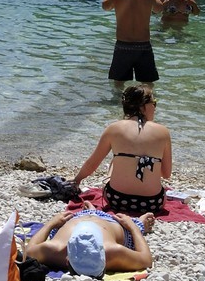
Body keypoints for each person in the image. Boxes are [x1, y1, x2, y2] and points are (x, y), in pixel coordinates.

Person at [70, 85, 172, 215]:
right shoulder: (163, 132)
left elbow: (92, 164)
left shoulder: (114, 129)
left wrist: (77, 180)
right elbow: (166, 173)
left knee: (116, 159)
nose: (155, 108)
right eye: (154, 103)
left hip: (117, 199)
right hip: (153, 203)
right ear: (143, 106)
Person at [24, 210, 154, 276]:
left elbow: (28, 251)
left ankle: (91, 209)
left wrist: (52, 223)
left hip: (78, 216)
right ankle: (140, 223)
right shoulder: (113, 251)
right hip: (112, 222)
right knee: (135, 227)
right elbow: (146, 259)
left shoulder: (55, 249)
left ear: (67, 260)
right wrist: (133, 227)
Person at [103, 0, 165, 83]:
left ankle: (118, 101)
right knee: (147, 83)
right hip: (143, 46)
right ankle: (147, 100)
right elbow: (159, 8)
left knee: (119, 83)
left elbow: (105, 6)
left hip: (123, 46)